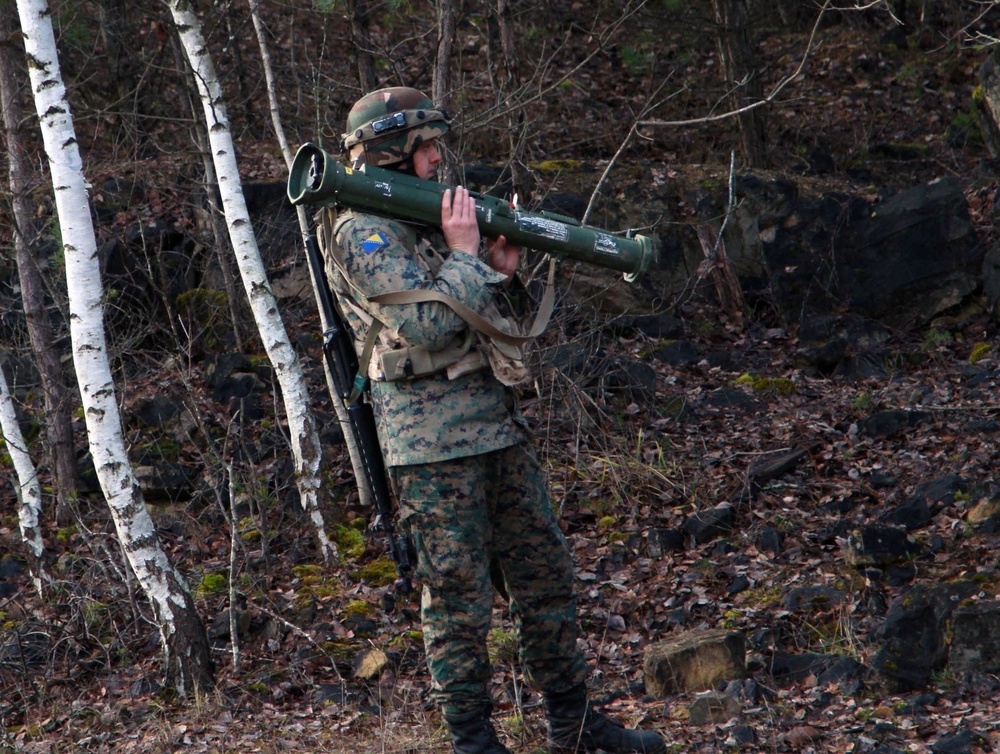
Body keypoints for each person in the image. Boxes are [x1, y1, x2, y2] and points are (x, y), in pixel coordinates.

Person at [315, 86, 665, 754]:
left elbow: (471, 316)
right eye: (426, 146)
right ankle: (473, 742)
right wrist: (469, 255)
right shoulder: (361, 228)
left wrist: (498, 271)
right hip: (430, 444)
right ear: (394, 150)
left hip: (494, 424)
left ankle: (575, 726)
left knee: (544, 574)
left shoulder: (422, 220)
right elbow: (425, 323)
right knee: (457, 597)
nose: (438, 157)